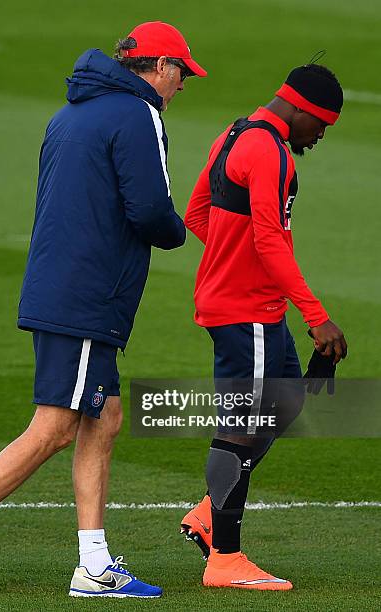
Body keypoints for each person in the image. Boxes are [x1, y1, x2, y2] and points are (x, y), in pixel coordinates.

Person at [0, 21, 206, 599]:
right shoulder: (137, 114)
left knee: (105, 416)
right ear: (160, 66)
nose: (183, 85)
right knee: (56, 425)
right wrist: (179, 232)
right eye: (182, 73)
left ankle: (93, 565)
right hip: (89, 294)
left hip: (60, 284)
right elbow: (149, 209)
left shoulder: (70, 114)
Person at [180, 63, 347, 591]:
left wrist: (236, 261)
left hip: (257, 307)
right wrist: (316, 318)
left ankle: (210, 513)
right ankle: (225, 559)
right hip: (245, 311)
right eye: (320, 128)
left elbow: (197, 214)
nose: (318, 140)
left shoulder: (233, 134)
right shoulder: (268, 151)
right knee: (240, 426)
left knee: (289, 402)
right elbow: (270, 240)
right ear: (302, 111)